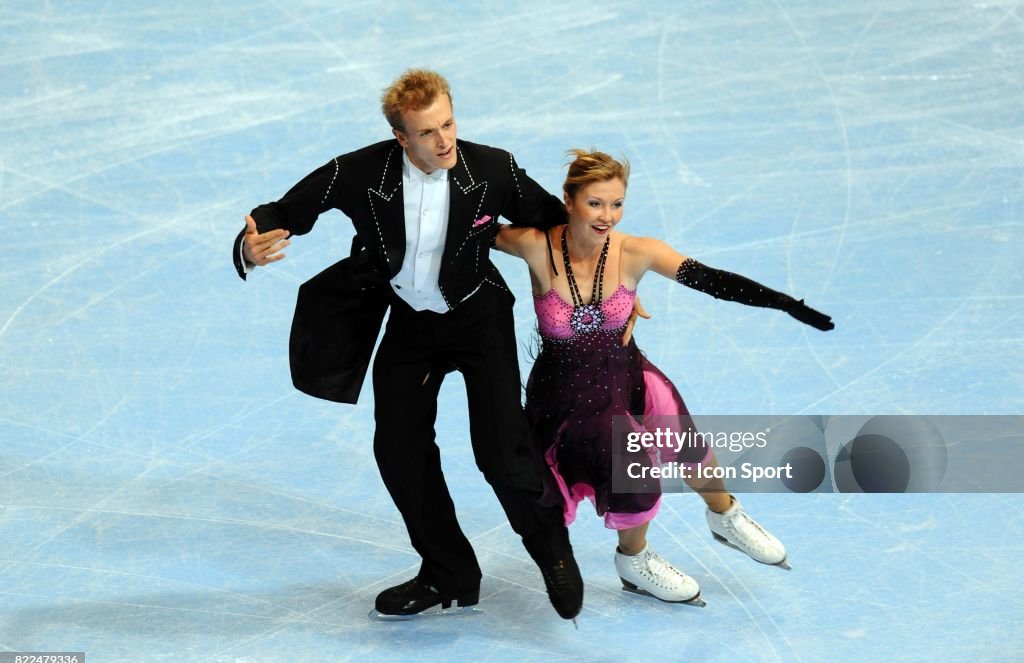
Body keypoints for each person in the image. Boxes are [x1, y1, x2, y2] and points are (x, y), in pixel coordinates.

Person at [231, 69, 584, 620]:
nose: (445, 142)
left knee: (501, 448)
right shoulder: (359, 172)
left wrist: (609, 283)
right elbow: (283, 211)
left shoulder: (492, 168)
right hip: (410, 325)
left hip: (478, 318)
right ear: (401, 137)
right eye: (427, 133)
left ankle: (552, 552)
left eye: (449, 124)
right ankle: (449, 573)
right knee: (399, 450)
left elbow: (557, 224)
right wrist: (249, 246)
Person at [495, 149, 833, 604]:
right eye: (595, 203)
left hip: (626, 375)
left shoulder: (637, 251)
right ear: (569, 200)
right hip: (565, 395)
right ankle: (634, 562)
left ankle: (726, 516)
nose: (607, 216)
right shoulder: (535, 245)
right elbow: (464, 227)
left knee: (688, 446)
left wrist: (786, 303)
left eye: (616, 204)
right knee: (632, 473)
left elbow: (714, 280)